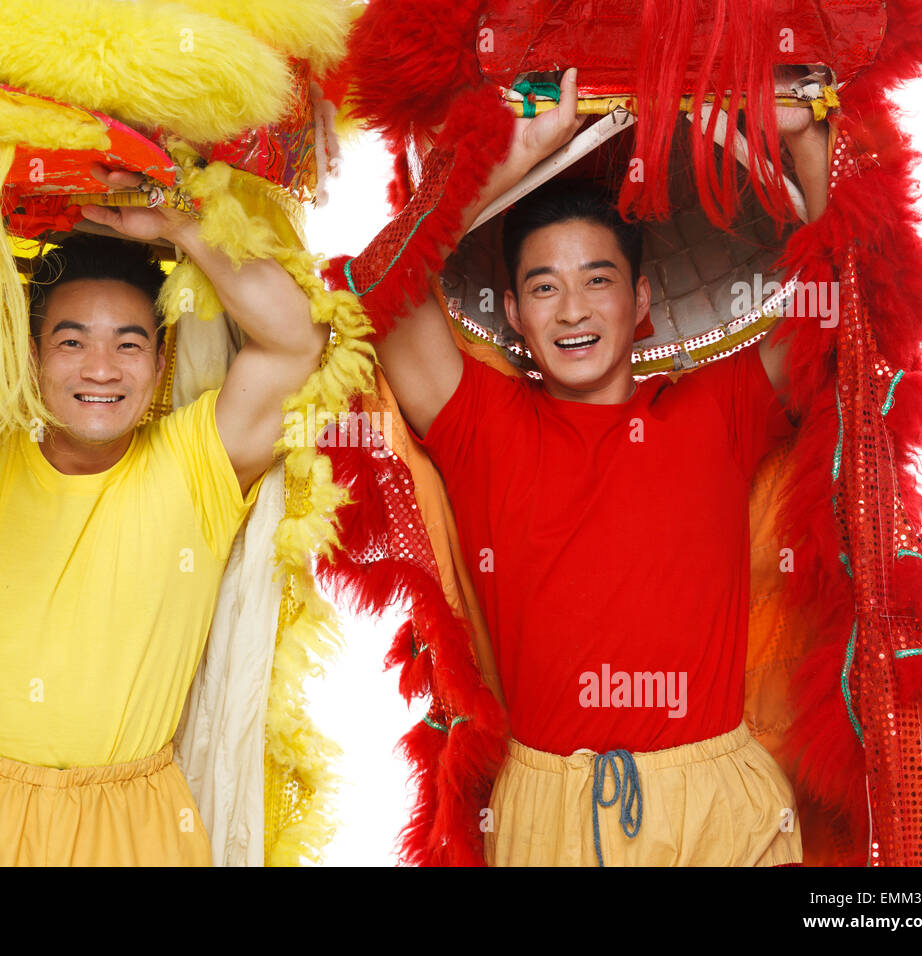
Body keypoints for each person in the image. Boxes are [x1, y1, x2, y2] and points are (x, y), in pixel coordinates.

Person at [373, 68, 832, 865]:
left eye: (598, 281)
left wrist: (805, 145)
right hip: (547, 810)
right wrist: (511, 163)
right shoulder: (482, 419)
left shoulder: (718, 407)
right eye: (544, 288)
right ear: (513, 310)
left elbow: (844, 305)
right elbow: (379, 290)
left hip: (722, 806)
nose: (574, 310)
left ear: (641, 297)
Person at [0, 168, 329, 866]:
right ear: (32, 357)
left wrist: (179, 224)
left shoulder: (194, 465)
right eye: (72, 342)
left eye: (128, 344)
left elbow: (298, 343)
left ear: (158, 367)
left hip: (138, 827)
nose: (102, 368)